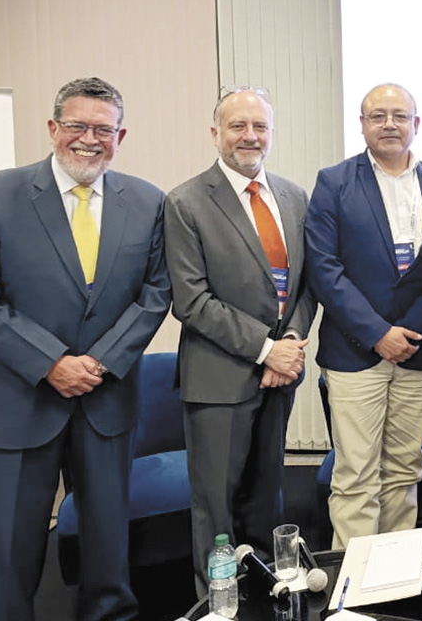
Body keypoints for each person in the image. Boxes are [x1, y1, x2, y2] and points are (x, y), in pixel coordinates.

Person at [0, 77, 171, 620]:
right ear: (53, 129)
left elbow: (156, 292)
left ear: (121, 135)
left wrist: (99, 362)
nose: (88, 139)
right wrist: (51, 363)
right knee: (9, 549)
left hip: (105, 398)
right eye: (76, 125)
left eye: (103, 128)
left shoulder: (147, 201)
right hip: (16, 403)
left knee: (105, 543)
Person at [164, 86, 315, 594]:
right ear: (215, 134)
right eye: (237, 126)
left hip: (282, 373)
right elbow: (191, 299)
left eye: (260, 127)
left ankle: (266, 590)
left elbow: (305, 284)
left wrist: (290, 341)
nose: (249, 136)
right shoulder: (185, 202)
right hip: (219, 376)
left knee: (267, 494)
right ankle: (218, 601)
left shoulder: (293, 196)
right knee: (217, 504)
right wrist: (265, 347)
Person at [306, 83, 422, 549]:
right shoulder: (334, 181)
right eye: (378, 116)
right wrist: (377, 333)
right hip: (354, 351)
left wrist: (408, 330)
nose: (389, 124)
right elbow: (323, 267)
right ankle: (352, 591)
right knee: (355, 473)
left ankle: (394, 583)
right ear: (362, 125)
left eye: (399, 115)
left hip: (417, 349)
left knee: (404, 469)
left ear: (416, 124)